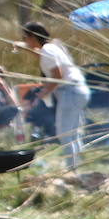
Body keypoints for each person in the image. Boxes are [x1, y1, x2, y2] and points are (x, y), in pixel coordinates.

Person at [15, 22, 91, 170]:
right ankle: (78, 166)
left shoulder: (47, 50)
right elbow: (41, 56)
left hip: (70, 92)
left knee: (64, 133)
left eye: (25, 38)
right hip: (78, 90)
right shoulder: (50, 48)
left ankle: (71, 169)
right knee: (73, 133)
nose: (25, 41)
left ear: (32, 36)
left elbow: (57, 75)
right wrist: (23, 47)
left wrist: (44, 93)